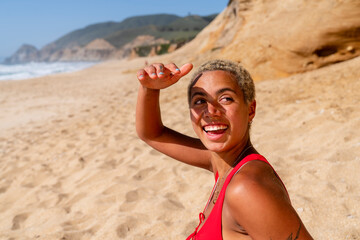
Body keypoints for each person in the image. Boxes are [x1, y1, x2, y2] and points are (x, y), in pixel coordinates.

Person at [136, 59, 313, 240]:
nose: (211, 111)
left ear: (250, 110)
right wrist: (149, 88)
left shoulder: (245, 188)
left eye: (226, 98)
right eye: (200, 100)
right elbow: (152, 134)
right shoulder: (222, 161)